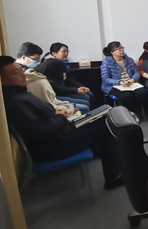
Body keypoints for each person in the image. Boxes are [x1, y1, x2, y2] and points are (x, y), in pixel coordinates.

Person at [0, 56, 121, 190]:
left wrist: (54, 112)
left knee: (99, 117)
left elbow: (41, 114)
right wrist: (60, 117)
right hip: (55, 145)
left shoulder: (19, 93)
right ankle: (113, 176)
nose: (23, 75)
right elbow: (39, 132)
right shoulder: (15, 102)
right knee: (106, 124)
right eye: (16, 73)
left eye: (21, 70)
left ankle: (103, 153)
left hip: (59, 134)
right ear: (2, 79)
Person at [15, 43, 81, 120]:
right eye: (35, 60)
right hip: (45, 106)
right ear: (24, 57)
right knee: (81, 108)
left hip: (51, 101)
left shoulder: (33, 71)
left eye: (38, 60)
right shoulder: (23, 76)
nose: (37, 63)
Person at [36, 42, 94, 112]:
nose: (66, 54)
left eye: (67, 51)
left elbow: (68, 79)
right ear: (54, 53)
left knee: (89, 94)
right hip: (55, 95)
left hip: (63, 90)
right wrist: (76, 90)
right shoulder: (50, 64)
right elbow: (54, 87)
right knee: (85, 102)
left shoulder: (60, 63)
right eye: (63, 51)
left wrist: (81, 87)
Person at [101, 41, 148, 122]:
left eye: (122, 48)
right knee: (126, 96)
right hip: (115, 85)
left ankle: (134, 110)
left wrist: (132, 80)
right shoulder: (106, 62)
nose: (122, 50)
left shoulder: (129, 60)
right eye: (118, 49)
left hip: (130, 83)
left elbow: (136, 72)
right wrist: (119, 82)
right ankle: (129, 113)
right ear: (112, 52)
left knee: (142, 92)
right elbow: (105, 78)